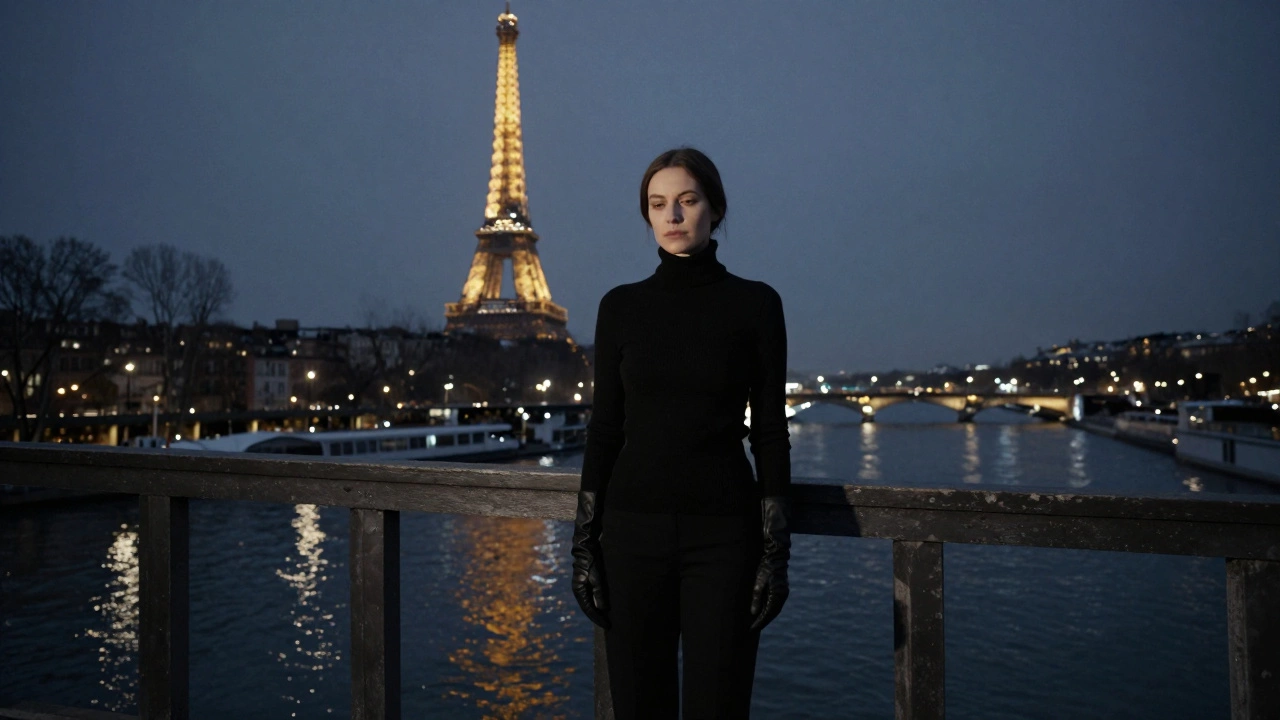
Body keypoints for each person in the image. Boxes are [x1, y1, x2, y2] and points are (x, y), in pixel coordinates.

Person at [571, 147, 791, 719]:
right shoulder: (619, 307)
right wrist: (583, 545)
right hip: (630, 535)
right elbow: (605, 430)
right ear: (646, 215)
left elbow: (769, 431)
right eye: (658, 203)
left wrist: (775, 553)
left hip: (723, 539)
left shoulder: (756, 305)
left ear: (715, 209)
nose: (672, 216)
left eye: (687, 201)